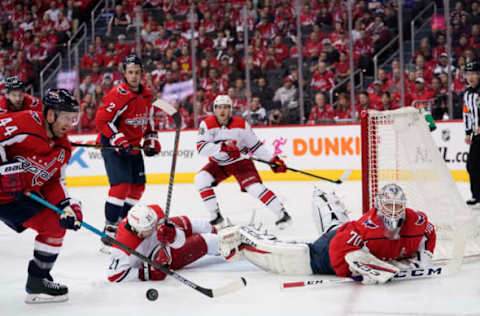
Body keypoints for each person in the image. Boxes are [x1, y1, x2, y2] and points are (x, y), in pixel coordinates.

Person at [219, 183, 437, 285]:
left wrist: (426, 254)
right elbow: (336, 250)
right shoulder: (367, 227)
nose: (392, 211)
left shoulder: (417, 220)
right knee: (292, 258)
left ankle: (324, 200)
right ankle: (242, 236)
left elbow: (430, 231)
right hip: (330, 252)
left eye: (397, 206)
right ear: (379, 205)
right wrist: (351, 271)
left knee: (336, 227)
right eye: (387, 205)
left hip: (342, 232)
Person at [0, 89, 83, 303]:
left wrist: (66, 206)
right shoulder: (26, 121)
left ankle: (37, 280)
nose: (69, 122)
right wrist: (3, 167)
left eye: (72, 118)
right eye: (65, 116)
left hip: (13, 199)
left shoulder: (63, 148)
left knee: (55, 225)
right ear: (49, 114)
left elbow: (54, 182)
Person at [194, 95, 292, 229]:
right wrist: (223, 148)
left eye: (226, 107)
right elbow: (201, 149)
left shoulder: (241, 124)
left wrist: (272, 160)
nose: (222, 111)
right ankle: (215, 216)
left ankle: (282, 214)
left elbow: (256, 146)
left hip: (240, 163)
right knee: (200, 179)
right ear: (215, 109)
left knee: (255, 189)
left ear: (230, 110)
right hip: (218, 164)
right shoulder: (206, 124)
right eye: (219, 107)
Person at [96, 55, 161, 248]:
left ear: (142, 74)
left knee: (138, 187)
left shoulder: (147, 94)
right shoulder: (118, 94)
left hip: (132, 146)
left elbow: (148, 118)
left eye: (137, 72)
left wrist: (151, 138)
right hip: (113, 145)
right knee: (121, 186)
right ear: (124, 73)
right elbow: (102, 120)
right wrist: (118, 138)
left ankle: (124, 223)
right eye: (130, 72)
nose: (134, 76)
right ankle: (109, 229)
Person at [107, 203, 218, 282]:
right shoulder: (122, 250)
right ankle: (226, 246)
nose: (155, 228)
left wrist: (173, 234)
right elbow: (114, 275)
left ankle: (221, 233)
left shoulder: (154, 213)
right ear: (136, 230)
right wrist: (145, 273)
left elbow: (179, 239)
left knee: (201, 225)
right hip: (162, 255)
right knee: (209, 240)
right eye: (149, 229)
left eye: (154, 223)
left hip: (163, 239)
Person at [463, 60, 480, 207]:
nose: (471, 77)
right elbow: (466, 113)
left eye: (474, 73)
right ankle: (476, 195)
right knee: (472, 165)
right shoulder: (467, 93)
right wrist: (467, 132)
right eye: (468, 74)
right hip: (476, 136)